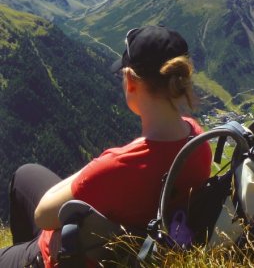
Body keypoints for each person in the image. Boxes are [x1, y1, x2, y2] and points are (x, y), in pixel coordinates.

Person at [0, 25, 212, 268]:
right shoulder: (197, 139)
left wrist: (99, 164)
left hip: (65, 256)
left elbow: (43, 215)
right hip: (132, 241)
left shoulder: (117, 166)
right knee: (25, 174)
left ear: (131, 82)